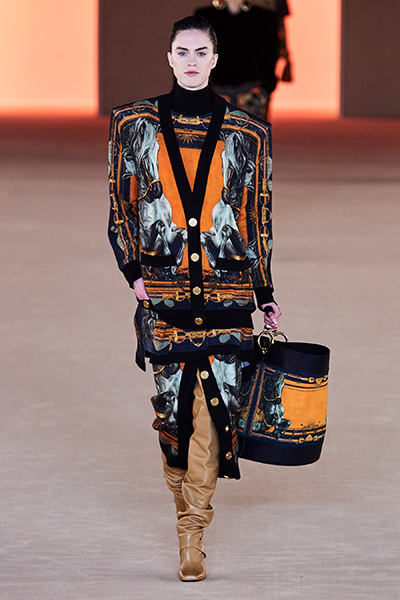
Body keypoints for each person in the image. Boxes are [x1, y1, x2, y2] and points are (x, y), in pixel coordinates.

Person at [108, 15, 281, 582]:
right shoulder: (132, 123)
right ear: (169, 57)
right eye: (181, 51)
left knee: (214, 417)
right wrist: (132, 271)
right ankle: (186, 515)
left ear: (214, 59)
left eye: (200, 52)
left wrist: (264, 291)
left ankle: (192, 535)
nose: (190, 60)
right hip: (164, 293)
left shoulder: (248, 132)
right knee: (171, 420)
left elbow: (257, 217)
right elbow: (120, 204)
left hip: (228, 295)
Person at [194, 0, 279, 118]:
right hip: (216, 88)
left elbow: (271, 54)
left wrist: (266, 86)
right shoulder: (205, 17)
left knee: (250, 129)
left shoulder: (264, 17)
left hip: (251, 88)